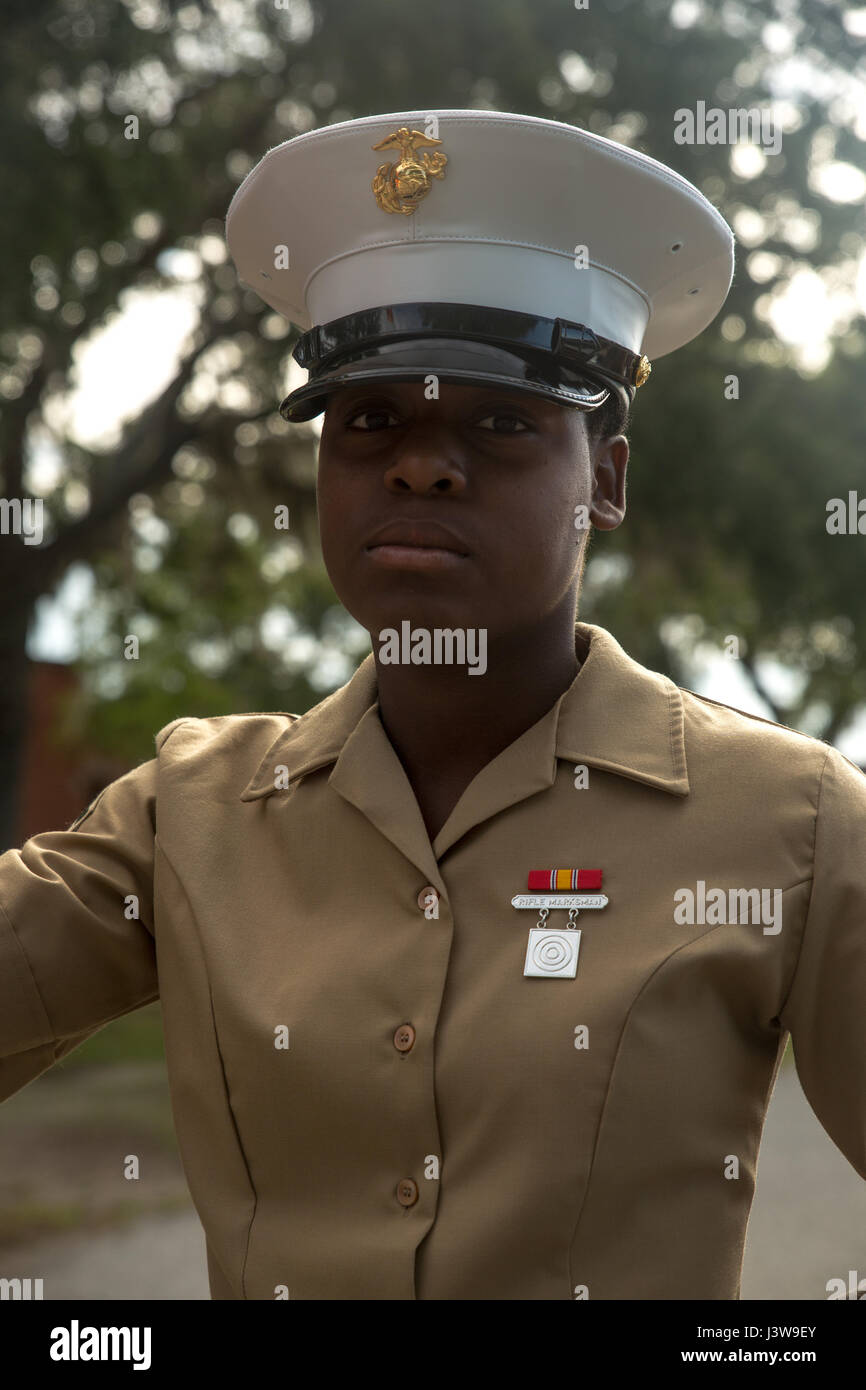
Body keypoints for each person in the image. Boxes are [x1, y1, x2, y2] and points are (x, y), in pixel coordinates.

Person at [1, 109, 863, 1301]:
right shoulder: (188, 815)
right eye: (371, 421)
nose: (419, 463)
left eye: (501, 422)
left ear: (602, 481)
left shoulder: (795, 822)